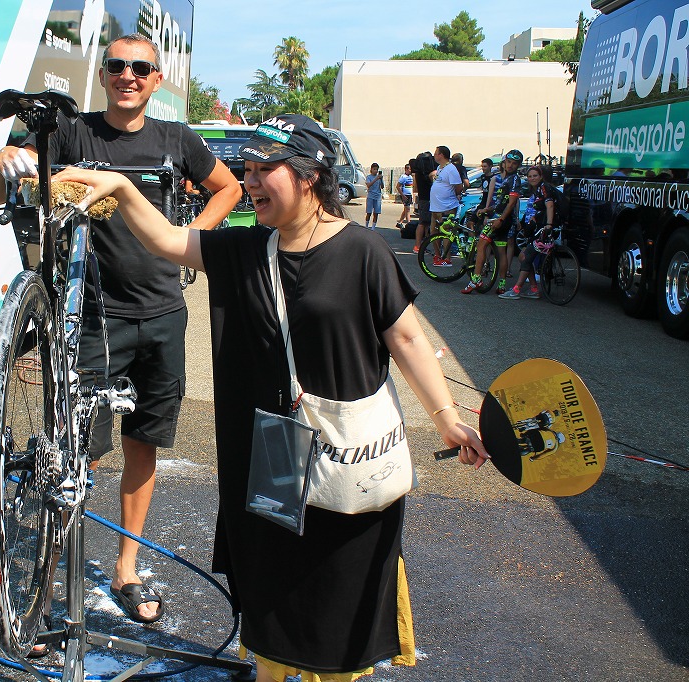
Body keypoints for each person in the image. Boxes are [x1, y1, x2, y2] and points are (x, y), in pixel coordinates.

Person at [55, 114, 488, 682]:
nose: (250, 182)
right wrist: (120, 187)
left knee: (339, 578)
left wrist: (448, 419)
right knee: (277, 576)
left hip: (348, 446)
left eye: (265, 170)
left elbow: (407, 336)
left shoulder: (363, 250)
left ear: (308, 176)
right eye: (248, 170)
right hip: (278, 448)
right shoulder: (246, 250)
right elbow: (165, 240)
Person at [0, 33, 241, 625]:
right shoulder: (72, 133)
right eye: (118, 66)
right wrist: (5, 163)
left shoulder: (177, 140)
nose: (129, 75)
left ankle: (126, 565)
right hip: (90, 319)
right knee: (76, 452)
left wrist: (188, 244)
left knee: (142, 441)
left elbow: (226, 187)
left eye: (141, 68)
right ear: (104, 75)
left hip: (161, 315)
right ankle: (52, 571)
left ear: (155, 80)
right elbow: (5, 190)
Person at [462, 149, 522, 295]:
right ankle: (501, 284)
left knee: (481, 245)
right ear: (504, 162)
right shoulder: (507, 179)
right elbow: (503, 202)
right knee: (501, 251)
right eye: (508, 162)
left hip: (500, 220)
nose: (510, 166)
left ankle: (476, 279)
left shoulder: (514, 179)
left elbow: (512, 203)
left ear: (518, 165)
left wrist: (500, 219)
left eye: (514, 164)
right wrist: (487, 210)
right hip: (501, 218)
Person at [500, 165, 554, 299]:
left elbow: (550, 205)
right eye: (530, 176)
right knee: (523, 257)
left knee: (526, 256)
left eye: (535, 175)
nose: (532, 178)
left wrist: (549, 225)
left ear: (541, 176)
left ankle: (516, 289)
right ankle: (534, 289)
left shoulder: (544, 188)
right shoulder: (536, 191)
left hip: (543, 229)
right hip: (534, 229)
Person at [428, 145, 463, 266]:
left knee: (446, 232)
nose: (434, 155)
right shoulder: (440, 168)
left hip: (447, 207)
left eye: (436, 153)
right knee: (433, 231)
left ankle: (447, 258)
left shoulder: (451, 169)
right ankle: (438, 255)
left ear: (441, 155)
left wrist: (454, 195)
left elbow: (459, 186)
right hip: (435, 207)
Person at [411, 153, 434, 254]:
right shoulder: (423, 173)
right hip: (425, 199)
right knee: (422, 223)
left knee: (425, 224)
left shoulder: (420, 172)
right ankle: (417, 246)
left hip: (424, 199)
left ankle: (421, 245)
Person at [364, 163, 384, 229]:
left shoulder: (379, 177)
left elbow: (382, 186)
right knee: (369, 212)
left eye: (377, 169)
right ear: (371, 169)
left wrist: (381, 179)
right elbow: (368, 185)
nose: (375, 171)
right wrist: (376, 179)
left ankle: (373, 227)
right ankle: (366, 226)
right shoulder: (369, 177)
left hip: (377, 196)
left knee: (376, 213)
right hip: (370, 196)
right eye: (374, 169)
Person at [396, 163, 413, 228]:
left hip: (409, 195)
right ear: (406, 169)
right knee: (408, 209)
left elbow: (412, 187)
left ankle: (400, 222)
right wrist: (402, 195)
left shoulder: (411, 177)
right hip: (405, 195)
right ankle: (409, 224)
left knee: (406, 209)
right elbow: (398, 186)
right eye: (409, 169)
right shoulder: (403, 177)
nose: (410, 171)